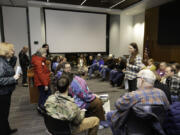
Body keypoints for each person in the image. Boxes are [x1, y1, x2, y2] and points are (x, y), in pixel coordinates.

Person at [106, 69, 170, 135]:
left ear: (142, 80)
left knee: (109, 114)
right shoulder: (161, 93)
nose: (136, 80)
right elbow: (167, 108)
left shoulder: (133, 95)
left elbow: (118, 105)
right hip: (156, 128)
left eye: (137, 78)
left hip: (134, 129)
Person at [56, 63, 107, 128]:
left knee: (95, 100)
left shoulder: (59, 77)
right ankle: (101, 122)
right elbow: (85, 96)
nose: (69, 69)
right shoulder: (76, 80)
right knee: (97, 102)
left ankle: (98, 117)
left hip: (67, 101)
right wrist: (93, 96)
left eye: (69, 67)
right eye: (67, 68)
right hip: (76, 103)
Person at [0, 42, 20, 135]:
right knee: (3, 115)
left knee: (4, 114)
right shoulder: (0, 62)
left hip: (5, 92)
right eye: (11, 49)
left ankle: (7, 130)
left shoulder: (3, 60)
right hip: (2, 93)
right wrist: (13, 78)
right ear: (5, 50)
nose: (13, 51)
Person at [31, 48, 51, 113]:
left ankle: (41, 107)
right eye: (45, 53)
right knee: (45, 94)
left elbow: (43, 71)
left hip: (42, 81)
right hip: (42, 82)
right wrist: (45, 84)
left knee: (43, 94)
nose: (46, 55)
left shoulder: (39, 60)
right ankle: (41, 107)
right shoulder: (38, 61)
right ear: (42, 54)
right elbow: (41, 74)